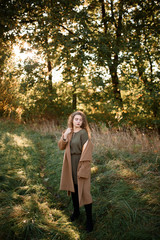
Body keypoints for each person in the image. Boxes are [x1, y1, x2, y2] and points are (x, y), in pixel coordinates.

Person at [58, 110, 93, 232]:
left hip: (81, 162)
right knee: (73, 189)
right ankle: (76, 212)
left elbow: (87, 150)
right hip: (69, 163)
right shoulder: (68, 132)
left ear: (83, 122)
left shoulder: (83, 133)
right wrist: (64, 136)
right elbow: (61, 146)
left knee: (84, 191)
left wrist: (84, 167)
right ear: (72, 120)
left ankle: (89, 220)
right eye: (76, 119)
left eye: (80, 120)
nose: (78, 121)